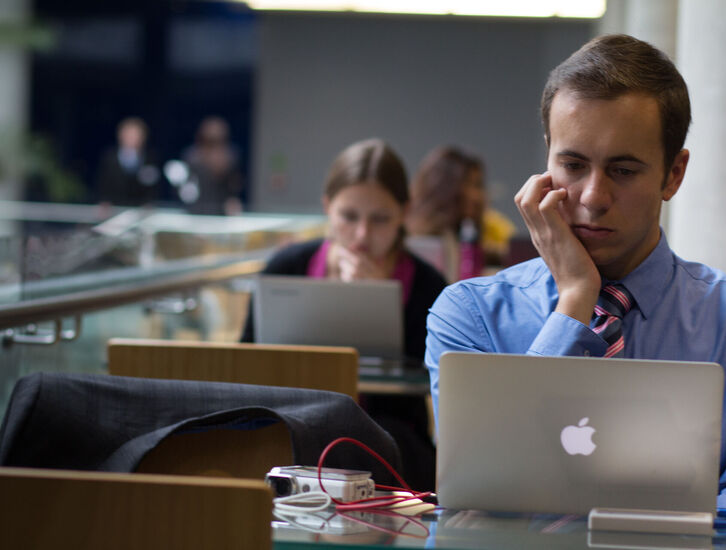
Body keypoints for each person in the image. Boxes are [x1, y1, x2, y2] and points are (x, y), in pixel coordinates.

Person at [425, 34, 726, 512]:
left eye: (623, 171)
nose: (591, 197)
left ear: (673, 174)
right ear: (547, 158)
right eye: (572, 165)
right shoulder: (469, 312)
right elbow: (483, 496)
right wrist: (575, 299)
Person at [241, 138, 447, 491]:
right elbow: (245, 360)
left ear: (404, 213)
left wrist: (379, 300)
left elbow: (436, 381)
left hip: (390, 443)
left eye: (380, 219)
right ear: (327, 208)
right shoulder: (286, 268)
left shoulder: (429, 286)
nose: (362, 235)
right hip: (291, 429)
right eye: (349, 216)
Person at [407, 146, 515, 281]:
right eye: (470, 184)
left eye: (479, 185)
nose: (477, 195)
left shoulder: (487, 227)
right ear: (444, 188)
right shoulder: (419, 243)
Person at [180, 116, 244, 215]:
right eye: (211, 139)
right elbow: (185, 188)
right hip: (196, 211)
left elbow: (234, 185)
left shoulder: (231, 156)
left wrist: (233, 200)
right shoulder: (192, 156)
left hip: (222, 213)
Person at [95, 117, 162, 207]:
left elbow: (153, 186)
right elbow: (102, 183)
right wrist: (104, 201)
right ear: (120, 135)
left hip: (140, 210)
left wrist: (149, 203)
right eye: (129, 134)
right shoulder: (109, 157)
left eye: (135, 135)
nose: (132, 138)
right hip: (114, 208)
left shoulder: (150, 158)